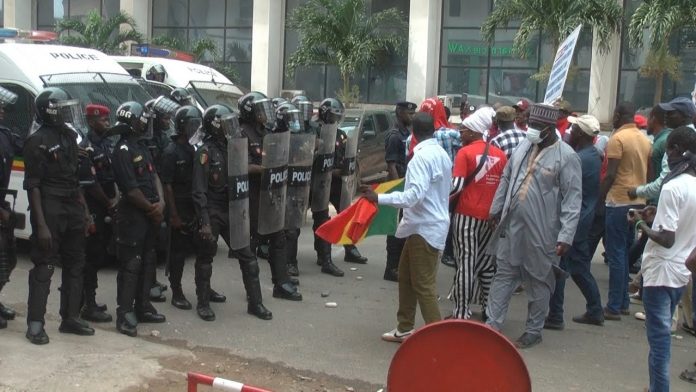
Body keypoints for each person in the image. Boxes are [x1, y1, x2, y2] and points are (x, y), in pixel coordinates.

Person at [486, 103, 582, 349]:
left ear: (549, 130)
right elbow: (507, 177)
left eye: (538, 127)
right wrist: (496, 208)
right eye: (532, 125)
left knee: (538, 280)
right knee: (504, 274)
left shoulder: (567, 156)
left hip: (543, 231)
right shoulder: (523, 146)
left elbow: (573, 198)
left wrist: (566, 235)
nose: (533, 130)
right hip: (512, 224)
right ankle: (492, 325)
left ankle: (534, 330)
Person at [360, 112, 452, 343]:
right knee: (406, 277)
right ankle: (405, 327)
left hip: (424, 228)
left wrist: (378, 198)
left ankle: (439, 338)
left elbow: (413, 197)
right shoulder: (441, 153)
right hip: (422, 226)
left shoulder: (421, 158)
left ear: (413, 133)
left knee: (422, 284)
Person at [23, 87, 95, 344]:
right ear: (51, 111)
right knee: (45, 264)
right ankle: (35, 322)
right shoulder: (37, 140)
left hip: (72, 203)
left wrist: (85, 212)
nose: (67, 113)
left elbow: (75, 180)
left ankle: (70, 317)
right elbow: (33, 185)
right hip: (50, 205)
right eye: (62, 108)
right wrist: (41, 225)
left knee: (77, 263)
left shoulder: (69, 136)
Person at [192, 104, 276, 319]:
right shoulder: (205, 152)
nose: (232, 127)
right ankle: (203, 303)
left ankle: (255, 303)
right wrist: (204, 222)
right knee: (205, 258)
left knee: (248, 256)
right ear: (215, 126)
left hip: (233, 210)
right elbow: (199, 190)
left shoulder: (235, 148)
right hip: (212, 211)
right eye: (226, 123)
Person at [628, 127, 696, 392]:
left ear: (678, 151)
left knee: (659, 342)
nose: (666, 154)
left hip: (661, 272)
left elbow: (666, 238)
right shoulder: (691, 185)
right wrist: (653, 215)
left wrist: (641, 226)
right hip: (680, 273)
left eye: (669, 149)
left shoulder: (672, 187)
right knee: (662, 336)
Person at [110, 101, 167, 337]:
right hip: (133, 216)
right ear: (132, 121)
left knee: (147, 261)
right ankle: (124, 314)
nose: (146, 122)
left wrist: (161, 202)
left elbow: (154, 178)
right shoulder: (122, 151)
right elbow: (130, 190)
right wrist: (152, 209)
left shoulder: (142, 147)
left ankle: (143, 306)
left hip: (150, 214)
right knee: (131, 265)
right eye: (142, 118)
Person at [239, 92, 302, 299]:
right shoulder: (242, 134)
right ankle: (253, 290)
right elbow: (242, 166)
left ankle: (281, 283)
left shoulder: (266, 131)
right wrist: (266, 167)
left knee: (278, 235)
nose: (264, 115)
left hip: (271, 193)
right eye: (260, 110)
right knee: (251, 243)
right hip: (251, 196)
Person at [545, 114, 605, 329]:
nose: (570, 131)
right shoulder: (589, 155)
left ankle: (555, 315)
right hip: (581, 219)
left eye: (574, 128)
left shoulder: (581, 158)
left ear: (581, 133)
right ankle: (594, 309)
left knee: (561, 268)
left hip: (576, 221)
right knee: (576, 268)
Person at [450, 110, 507, 320]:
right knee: (486, 264)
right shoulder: (500, 155)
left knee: (465, 261)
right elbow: (503, 188)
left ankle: (461, 311)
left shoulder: (464, 154)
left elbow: (456, 187)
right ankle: (488, 310)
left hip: (466, 215)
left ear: (473, 132)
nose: (460, 134)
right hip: (490, 218)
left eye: (462, 130)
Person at [600, 102, 651, 320]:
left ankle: (614, 306)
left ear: (619, 115)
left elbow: (611, 174)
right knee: (624, 251)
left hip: (618, 200)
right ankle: (622, 303)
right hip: (638, 201)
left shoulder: (617, 139)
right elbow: (650, 173)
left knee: (616, 254)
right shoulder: (644, 139)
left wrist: (598, 199)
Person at [161, 105, 202, 311]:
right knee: (177, 254)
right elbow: (167, 185)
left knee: (201, 250)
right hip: (178, 206)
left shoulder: (193, 149)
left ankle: (204, 289)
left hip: (193, 205)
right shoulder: (171, 152)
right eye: (192, 124)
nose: (196, 128)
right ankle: (176, 292)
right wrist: (174, 215)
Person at [80, 104, 117, 323]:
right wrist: (109, 203)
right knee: (91, 258)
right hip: (95, 208)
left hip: (107, 206)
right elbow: (91, 184)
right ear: (93, 121)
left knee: (98, 255)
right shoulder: (87, 148)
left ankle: (88, 300)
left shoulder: (106, 144)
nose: (108, 123)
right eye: (104, 120)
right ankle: (88, 304)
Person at [383, 101, 416, 282]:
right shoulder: (395, 135)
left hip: (407, 184)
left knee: (404, 229)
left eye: (413, 114)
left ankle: (399, 266)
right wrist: (398, 188)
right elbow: (391, 165)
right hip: (399, 184)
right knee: (395, 230)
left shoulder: (408, 134)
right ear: (399, 112)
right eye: (409, 114)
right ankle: (391, 268)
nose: (411, 117)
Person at [0, 86, 21, 329]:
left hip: (3, 202)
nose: (3, 111)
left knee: (10, 259)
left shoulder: (4, 134)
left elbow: (24, 146)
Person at [629, 105, 672, 205]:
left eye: (647, 119)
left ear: (653, 119)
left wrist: (638, 191)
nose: (646, 123)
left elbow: (662, 176)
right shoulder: (662, 140)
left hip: (658, 200)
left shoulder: (663, 142)